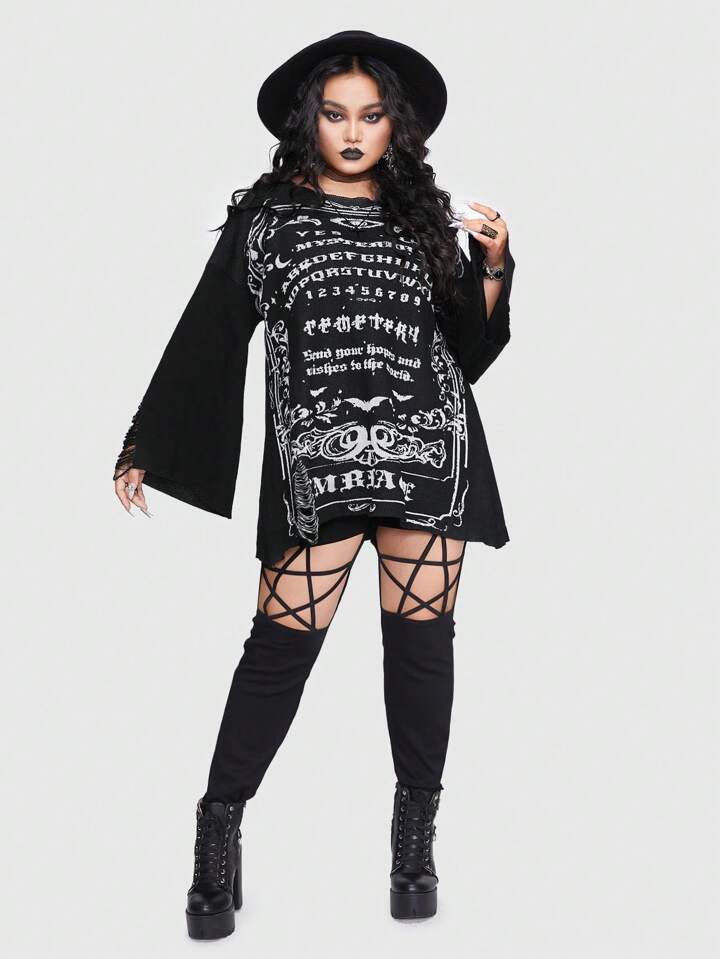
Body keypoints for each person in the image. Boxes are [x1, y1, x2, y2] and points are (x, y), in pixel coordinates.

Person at [112, 30, 516, 938]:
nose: (353, 133)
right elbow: (212, 328)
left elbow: (467, 349)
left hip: (428, 454)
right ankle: (217, 837)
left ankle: (414, 846)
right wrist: (149, 440)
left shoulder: (421, 221)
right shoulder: (270, 220)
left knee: (422, 649)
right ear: (310, 121)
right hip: (315, 469)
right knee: (278, 650)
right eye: (336, 114)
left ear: (395, 126)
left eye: (371, 116)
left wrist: (491, 264)